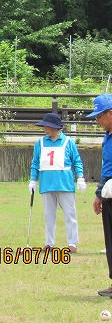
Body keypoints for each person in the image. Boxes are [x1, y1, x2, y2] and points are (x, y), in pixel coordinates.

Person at [28, 112, 85, 252]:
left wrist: (80, 177)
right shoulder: (40, 143)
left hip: (65, 184)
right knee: (49, 216)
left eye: (47, 127)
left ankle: (72, 243)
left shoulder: (68, 142)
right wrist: (32, 180)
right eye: (44, 127)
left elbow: (76, 161)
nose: (45, 129)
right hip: (47, 184)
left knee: (70, 215)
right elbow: (35, 163)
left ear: (56, 128)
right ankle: (49, 242)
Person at [87, 95, 112, 297]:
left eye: (99, 117)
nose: (97, 122)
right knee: (110, 240)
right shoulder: (107, 135)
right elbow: (106, 168)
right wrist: (98, 194)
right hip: (109, 193)